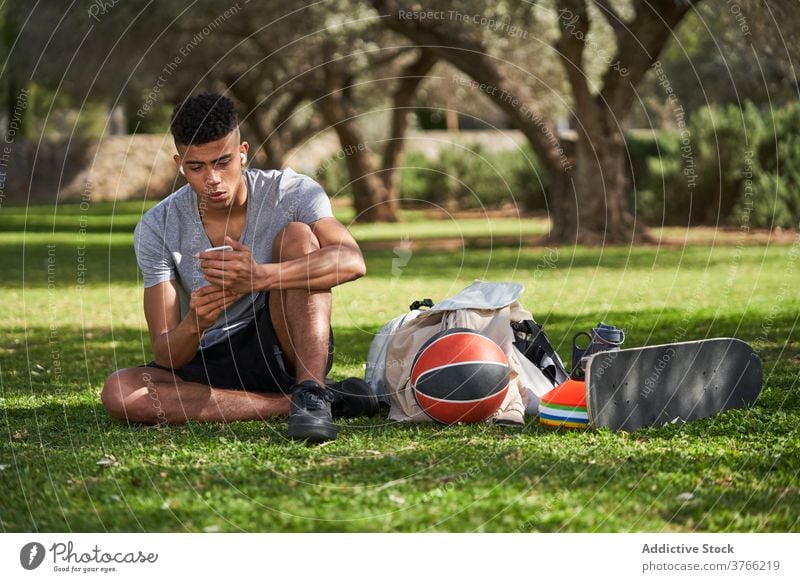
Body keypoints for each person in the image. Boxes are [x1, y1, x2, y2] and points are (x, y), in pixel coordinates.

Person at [101, 93, 376, 442]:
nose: (211, 179)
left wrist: (259, 277)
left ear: (243, 152)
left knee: (297, 236)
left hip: (281, 345)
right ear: (179, 162)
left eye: (223, 162)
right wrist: (195, 322)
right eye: (196, 167)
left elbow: (351, 260)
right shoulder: (157, 226)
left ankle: (310, 387)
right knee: (120, 393)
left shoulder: (289, 192)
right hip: (206, 362)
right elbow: (166, 354)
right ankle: (313, 401)